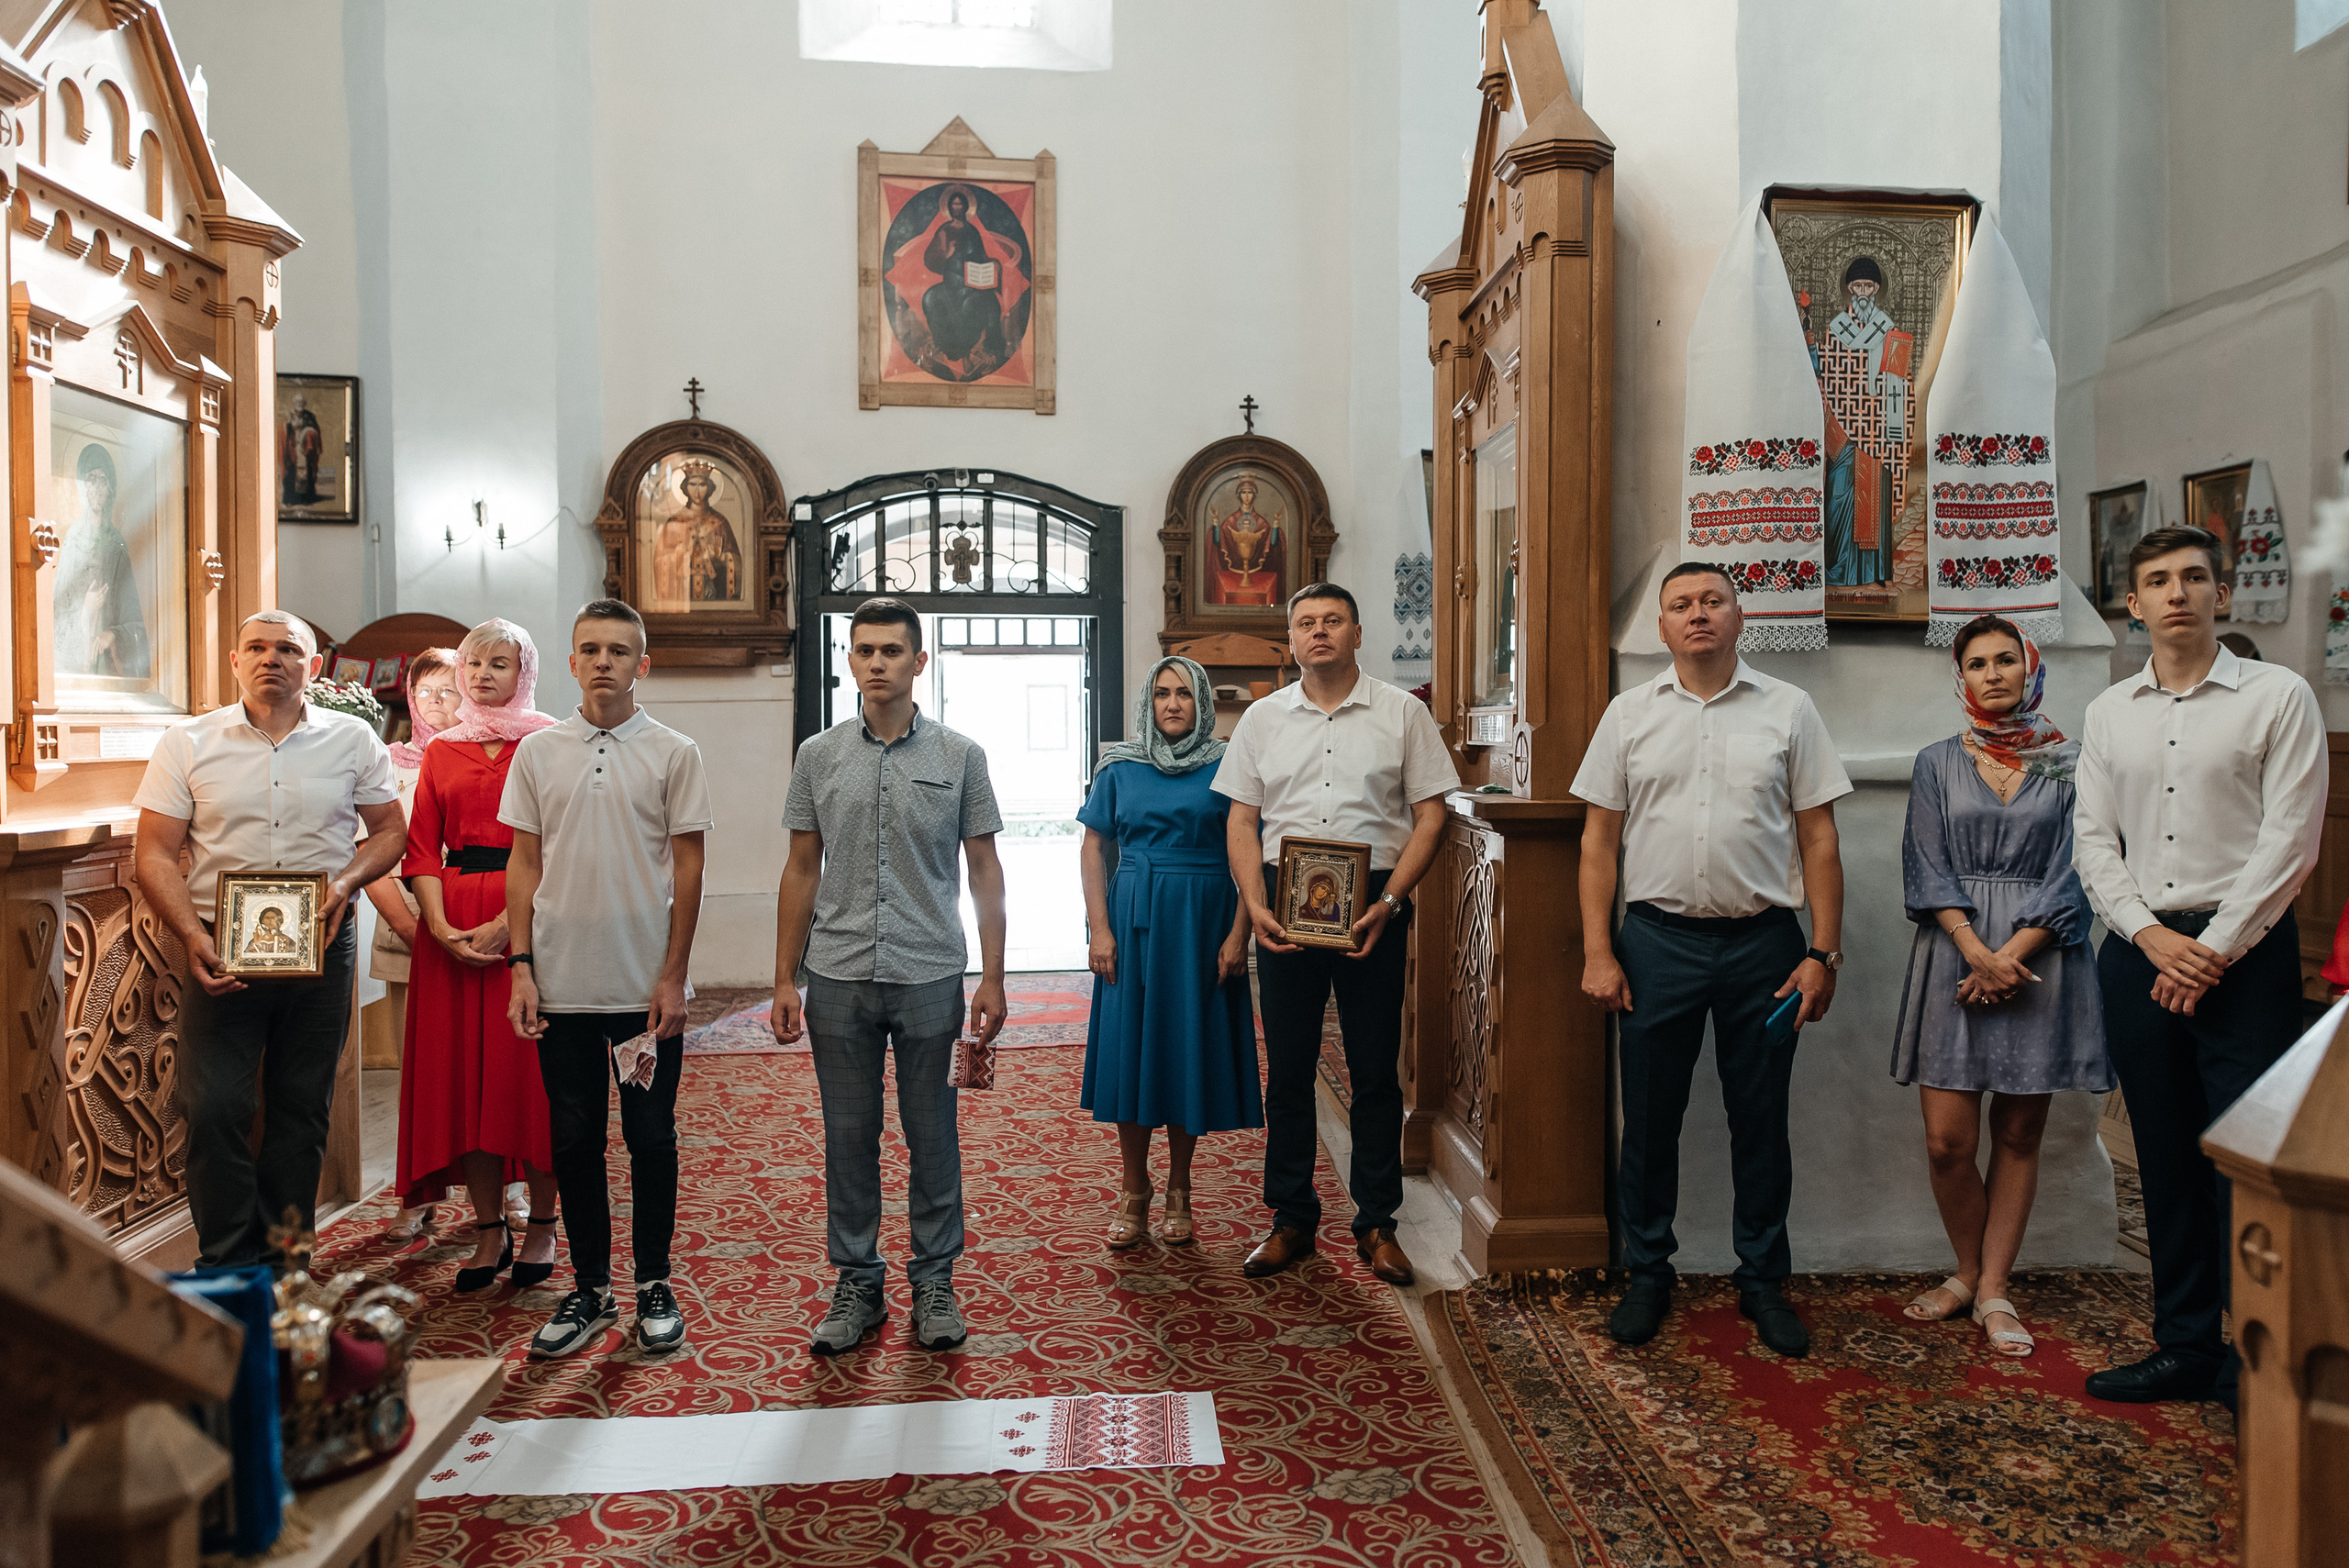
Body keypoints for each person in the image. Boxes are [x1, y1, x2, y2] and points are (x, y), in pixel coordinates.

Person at [2074, 525, 2325, 1410]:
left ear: (2220, 592)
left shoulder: (2278, 695)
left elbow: (2290, 841)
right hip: (2141, 955)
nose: (2176, 592)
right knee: (2166, 1157)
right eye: (2157, 580)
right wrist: (2150, 938)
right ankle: (2184, 1344)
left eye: (2193, 577)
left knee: (2246, 1162)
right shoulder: (2111, 712)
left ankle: (2258, 1361)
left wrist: (2211, 948)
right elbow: (2095, 843)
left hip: (2244, 958)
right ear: (2132, 604)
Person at [1573, 562, 1851, 1358]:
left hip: (1765, 945)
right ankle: (1649, 1272)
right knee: (1651, 1119)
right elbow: (1597, 840)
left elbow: (1820, 837)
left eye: (1713, 602)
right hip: (1656, 943)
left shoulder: (1789, 710)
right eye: (1681, 605)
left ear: (1740, 615)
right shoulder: (1628, 716)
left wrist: (1823, 953)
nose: (1698, 615)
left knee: (1759, 1118)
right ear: (1661, 627)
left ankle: (1763, 1280)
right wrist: (1601, 949)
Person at [770, 596, 1009, 1355]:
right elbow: (801, 867)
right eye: (864, 649)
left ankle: (935, 1279)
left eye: (892, 651)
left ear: (919, 662)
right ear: (849, 660)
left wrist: (994, 976)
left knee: (932, 1133)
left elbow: (985, 871)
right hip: (837, 973)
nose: (878, 662)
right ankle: (858, 1283)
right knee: (849, 1135)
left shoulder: (960, 756)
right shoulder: (818, 755)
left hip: (930, 972)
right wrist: (784, 977)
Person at [131, 611, 406, 1265]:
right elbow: (153, 853)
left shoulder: (353, 741)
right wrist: (192, 935)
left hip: (324, 941)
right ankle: (228, 1262)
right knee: (214, 1106)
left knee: (301, 1110)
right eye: (256, 647)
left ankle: (286, 1263)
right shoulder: (188, 742)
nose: (270, 658)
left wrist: (344, 883)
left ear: (313, 667)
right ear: (235, 661)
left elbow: (390, 833)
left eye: (288, 649)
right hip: (219, 946)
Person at [1214, 583, 1459, 1287]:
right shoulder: (1262, 719)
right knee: (1288, 1071)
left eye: (1332, 621)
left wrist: (1391, 898)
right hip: (1283, 909)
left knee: (1375, 1070)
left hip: (1373, 911)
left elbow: (1432, 816)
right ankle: (1291, 1219)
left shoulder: (1404, 714)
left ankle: (1378, 1224)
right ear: (1290, 639)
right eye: (1305, 623)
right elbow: (1240, 821)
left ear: (1358, 632)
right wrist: (1254, 904)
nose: (1318, 632)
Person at [1892, 615, 2111, 1357]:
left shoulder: (2070, 763)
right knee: (1948, 1140)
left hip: (2040, 957)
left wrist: (2012, 952)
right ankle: (1964, 1267)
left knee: (2019, 1131)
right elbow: (1925, 864)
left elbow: (2080, 867)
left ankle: (1991, 1287)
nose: (1992, 673)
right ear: (1963, 677)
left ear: (2030, 667)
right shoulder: (1935, 761)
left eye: (2005, 659)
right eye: (1977, 662)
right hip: (1954, 953)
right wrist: (1975, 952)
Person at [504, 600, 713, 1358]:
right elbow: (523, 863)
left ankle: (654, 1280)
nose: (603, 662)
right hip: (559, 986)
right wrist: (522, 966)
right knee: (574, 1137)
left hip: (641, 989)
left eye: (619, 651)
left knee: (651, 1137)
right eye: (589, 649)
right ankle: (590, 1287)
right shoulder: (539, 753)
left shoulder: (673, 750)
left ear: (642, 665)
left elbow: (689, 868)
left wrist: (674, 974)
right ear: (570, 662)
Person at [398, 620, 563, 1294]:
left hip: (534, 917)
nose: (484, 674)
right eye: (474, 663)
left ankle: (545, 1223)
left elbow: (565, 844)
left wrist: (510, 922)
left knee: (533, 1078)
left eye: (501, 662)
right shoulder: (441, 752)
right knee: (462, 1076)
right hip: (452, 926)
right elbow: (420, 849)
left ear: (524, 669)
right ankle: (489, 1224)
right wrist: (436, 924)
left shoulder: (552, 742)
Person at [1079, 656, 1261, 1249]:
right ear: (1148, 702)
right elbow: (1092, 847)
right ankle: (1135, 1188)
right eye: (1161, 693)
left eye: (1185, 693)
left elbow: (1248, 854)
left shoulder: (1230, 763)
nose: (1173, 703)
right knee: (1132, 1051)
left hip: (1204, 919)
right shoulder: (1119, 767)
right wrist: (1098, 928)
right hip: (1133, 918)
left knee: (1189, 1049)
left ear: (1203, 701)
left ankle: (1180, 1185)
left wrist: (1240, 934)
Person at [370, 648, 461, 1240]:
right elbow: (372, 851)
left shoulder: (503, 752)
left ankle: (504, 1194)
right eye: (426, 692)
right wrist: (412, 926)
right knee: (421, 1075)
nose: (438, 703)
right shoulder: (391, 763)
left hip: (483, 923)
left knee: (486, 1069)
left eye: (450, 691)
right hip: (408, 925)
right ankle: (418, 1196)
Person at [55, 441, 152, 680]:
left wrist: (113, 634)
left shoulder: (117, 545)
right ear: (82, 487)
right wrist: (86, 609)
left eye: (103, 480)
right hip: (76, 666)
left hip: (109, 665)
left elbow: (133, 616)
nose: (97, 488)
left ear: (111, 488)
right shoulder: (73, 541)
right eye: (91, 479)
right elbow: (58, 617)